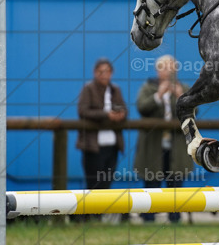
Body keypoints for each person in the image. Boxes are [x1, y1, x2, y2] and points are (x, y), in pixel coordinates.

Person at [134, 55, 193, 223]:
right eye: (164, 68)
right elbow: (142, 108)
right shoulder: (148, 87)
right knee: (152, 181)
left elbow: (193, 112)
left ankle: (174, 217)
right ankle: (149, 216)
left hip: (176, 146)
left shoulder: (183, 88)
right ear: (158, 70)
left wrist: (180, 96)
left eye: (171, 68)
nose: (168, 71)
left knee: (175, 181)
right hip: (153, 145)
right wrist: (159, 95)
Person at [76, 58, 127, 220]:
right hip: (92, 145)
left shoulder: (115, 89)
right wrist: (106, 115)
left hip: (112, 145)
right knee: (93, 182)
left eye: (107, 71)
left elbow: (124, 109)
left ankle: (100, 216)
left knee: (107, 182)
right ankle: (90, 217)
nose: (104, 75)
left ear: (111, 73)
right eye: (101, 71)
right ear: (95, 72)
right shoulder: (88, 88)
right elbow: (83, 111)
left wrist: (120, 115)